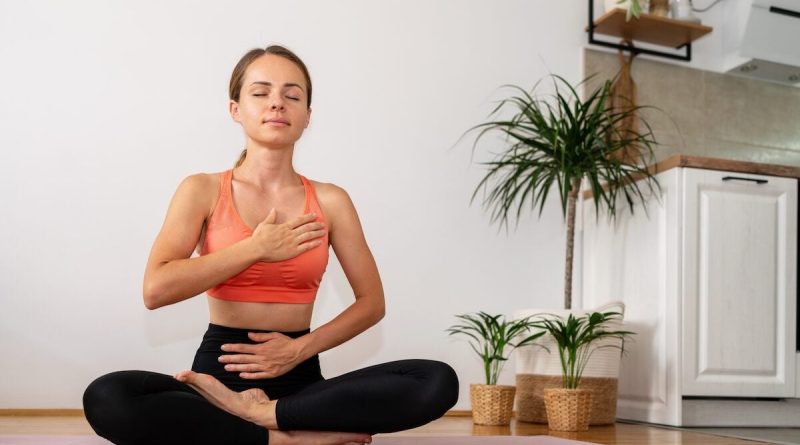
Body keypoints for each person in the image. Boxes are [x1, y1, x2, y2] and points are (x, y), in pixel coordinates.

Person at [82, 45, 459, 445]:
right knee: (108, 397)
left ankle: (264, 417)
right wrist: (256, 247)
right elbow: (155, 290)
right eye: (261, 93)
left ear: (307, 117)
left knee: (435, 380)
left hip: (301, 381)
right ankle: (284, 439)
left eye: (292, 95)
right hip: (220, 381)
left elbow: (372, 303)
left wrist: (299, 351)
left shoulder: (331, 200)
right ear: (235, 109)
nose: (277, 103)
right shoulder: (202, 189)